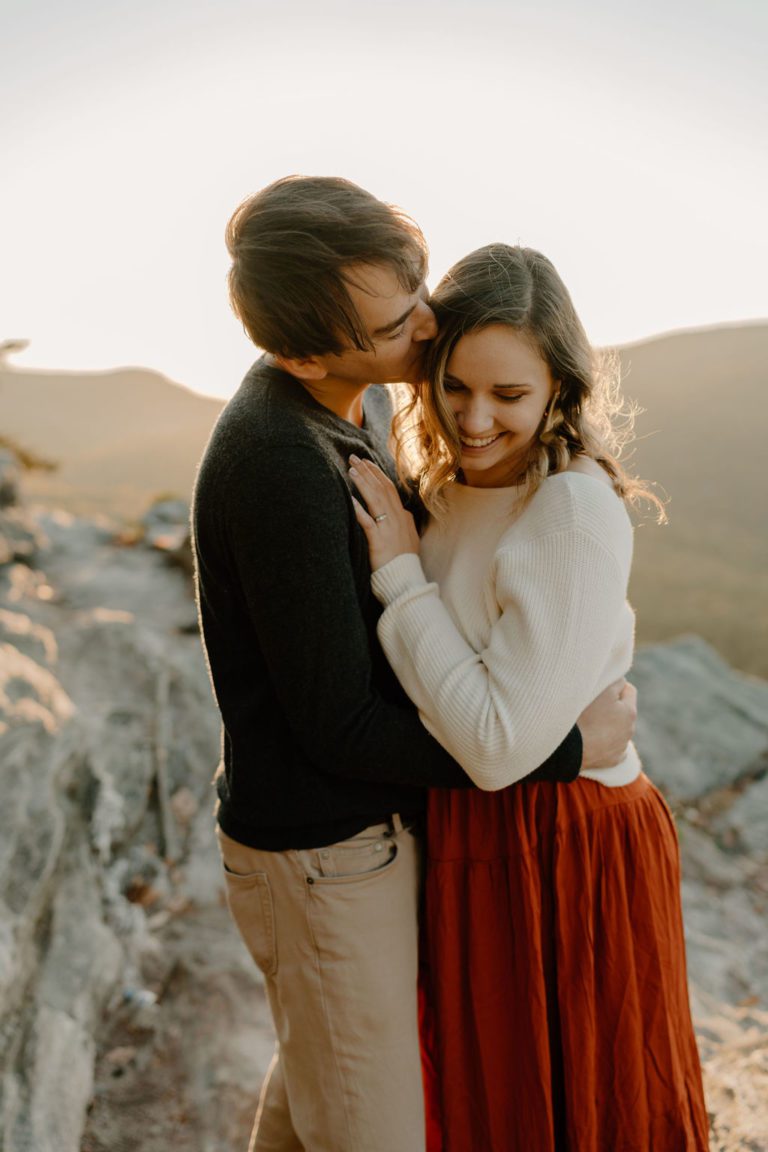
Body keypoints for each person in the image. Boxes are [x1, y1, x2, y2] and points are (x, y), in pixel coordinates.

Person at [192, 177, 637, 1152]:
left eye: (418, 292)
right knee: (368, 1127)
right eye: (397, 324)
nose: (429, 329)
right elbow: (338, 724)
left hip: (350, 851)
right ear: (302, 351)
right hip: (321, 857)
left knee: (321, 1097)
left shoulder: (347, 402)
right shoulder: (278, 462)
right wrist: (561, 751)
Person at [350, 242, 709, 1150]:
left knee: (575, 1103)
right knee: (494, 1102)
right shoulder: (441, 489)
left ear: (560, 392)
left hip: (565, 839)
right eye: (455, 387)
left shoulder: (572, 509)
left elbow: (500, 745)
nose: (474, 418)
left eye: (509, 395)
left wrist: (400, 579)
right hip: (477, 832)